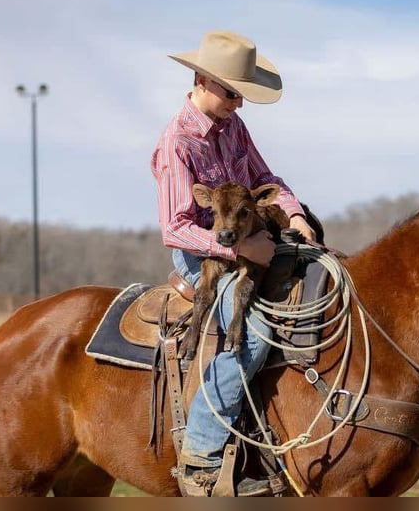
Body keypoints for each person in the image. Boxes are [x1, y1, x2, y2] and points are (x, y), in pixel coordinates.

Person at [151, 30, 315, 497]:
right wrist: (240, 251)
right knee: (256, 330)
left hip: (249, 238)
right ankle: (201, 454)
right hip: (199, 255)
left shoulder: (233, 129)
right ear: (202, 80)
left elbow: (264, 178)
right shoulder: (178, 142)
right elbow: (175, 228)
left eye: (242, 95)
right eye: (231, 93)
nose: (238, 104)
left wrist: (297, 213)